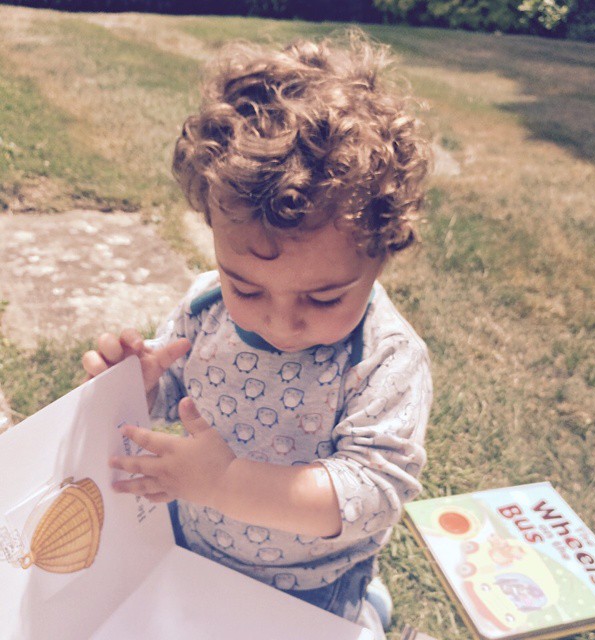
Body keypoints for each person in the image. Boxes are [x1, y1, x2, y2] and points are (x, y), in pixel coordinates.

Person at [82, 30, 433, 639]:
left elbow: (372, 492)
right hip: (194, 545)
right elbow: (173, 392)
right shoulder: (208, 307)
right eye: (246, 286)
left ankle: (365, 608)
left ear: (382, 254)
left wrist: (224, 482)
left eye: (324, 297)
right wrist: (139, 385)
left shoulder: (385, 357)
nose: (280, 321)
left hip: (315, 580)